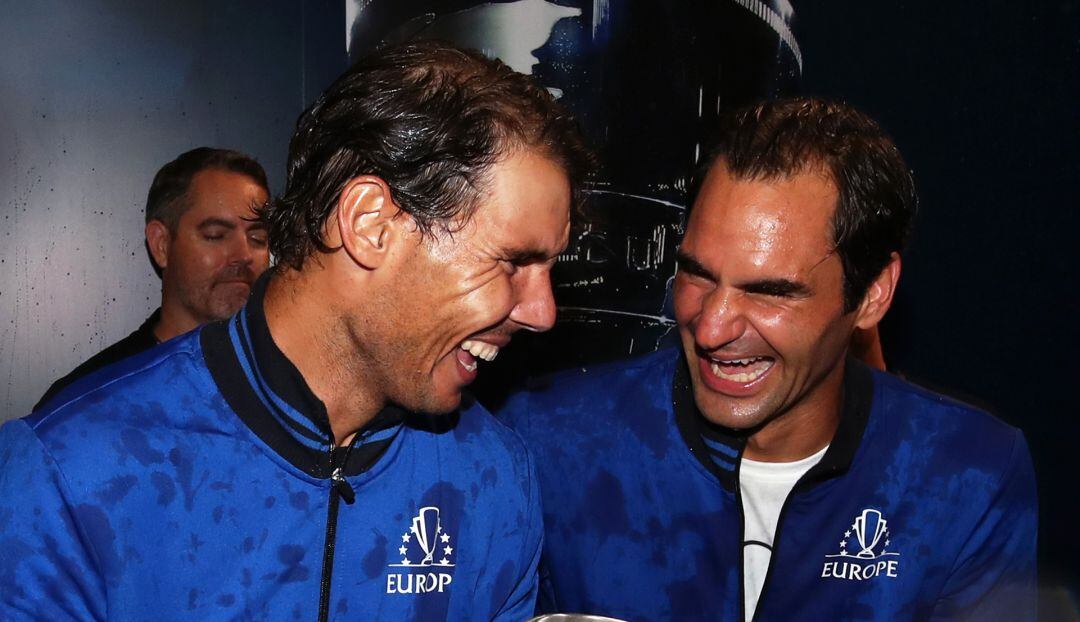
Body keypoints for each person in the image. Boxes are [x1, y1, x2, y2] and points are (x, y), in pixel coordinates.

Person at [0, 40, 590, 620]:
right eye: (512, 262)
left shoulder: (497, 479)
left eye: (548, 270)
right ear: (370, 224)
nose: (543, 312)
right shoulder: (72, 471)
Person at [498, 98, 1037, 621]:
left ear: (872, 293)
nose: (712, 327)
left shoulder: (968, 474)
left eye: (771, 292)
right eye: (698, 274)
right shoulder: (549, 442)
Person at [34, 147, 271, 410]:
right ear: (161, 245)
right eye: (215, 235)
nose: (244, 254)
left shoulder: (296, 384)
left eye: (257, 238)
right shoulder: (87, 402)